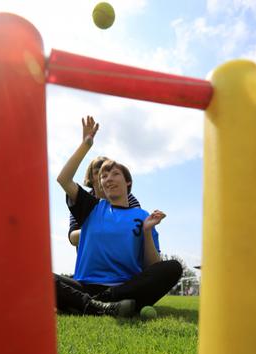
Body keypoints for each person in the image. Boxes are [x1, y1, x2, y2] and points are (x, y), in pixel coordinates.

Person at [54, 116, 182, 317]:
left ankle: (87, 304)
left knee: (173, 267)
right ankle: (98, 305)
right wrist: (85, 145)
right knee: (34, 273)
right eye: (103, 176)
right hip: (85, 285)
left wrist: (147, 232)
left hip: (125, 288)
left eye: (114, 174)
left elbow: (152, 267)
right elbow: (63, 179)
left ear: (128, 182)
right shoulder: (91, 208)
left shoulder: (142, 216)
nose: (107, 178)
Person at [68, 155, 140, 246]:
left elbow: (138, 225)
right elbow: (73, 238)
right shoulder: (82, 200)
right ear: (90, 178)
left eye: (108, 172)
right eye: (98, 172)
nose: (101, 175)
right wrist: (98, 229)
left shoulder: (127, 197)